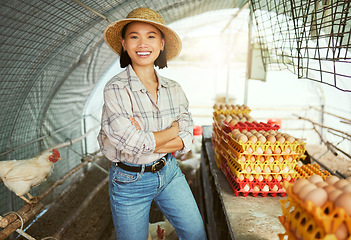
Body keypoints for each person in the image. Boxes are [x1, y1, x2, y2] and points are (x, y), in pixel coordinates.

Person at [98, 7, 207, 240]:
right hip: (130, 181)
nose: (142, 44)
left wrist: (156, 137)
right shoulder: (116, 89)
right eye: (134, 36)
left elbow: (187, 133)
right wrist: (174, 131)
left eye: (151, 36)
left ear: (161, 44)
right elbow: (133, 145)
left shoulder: (174, 88)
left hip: (169, 172)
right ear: (124, 44)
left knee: (196, 234)